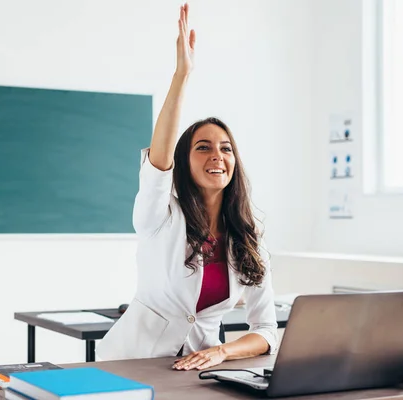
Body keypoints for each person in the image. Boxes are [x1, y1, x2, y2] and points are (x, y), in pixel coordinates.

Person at [96, 3, 278, 371]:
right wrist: (182, 75)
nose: (218, 156)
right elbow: (158, 163)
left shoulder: (247, 237)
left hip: (200, 373)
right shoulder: (159, 216)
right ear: (184, 161)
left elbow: (266, 330)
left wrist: (223, 351)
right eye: (203, 147)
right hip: (133, 364)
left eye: (226, 149)